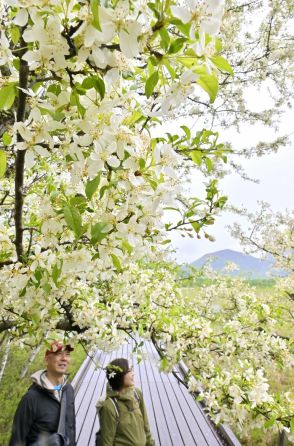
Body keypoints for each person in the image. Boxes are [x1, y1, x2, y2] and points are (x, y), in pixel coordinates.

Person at [9, 341, 76, 446]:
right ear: (47, 360)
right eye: (58, 354)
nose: (64, 358)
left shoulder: (68, 390)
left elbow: (71, 427)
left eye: (67, 354)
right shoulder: (31, 399)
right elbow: (17, 440)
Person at [96, 357, 155, 446]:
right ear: (120, 375)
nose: (133, 374)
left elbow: (146, 425)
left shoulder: (136, 394)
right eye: (129, 371)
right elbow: (107, 441)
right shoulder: (109, 406)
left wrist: (151, 443)